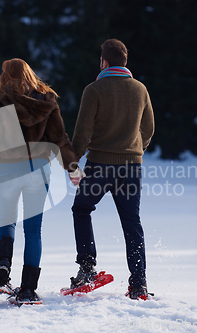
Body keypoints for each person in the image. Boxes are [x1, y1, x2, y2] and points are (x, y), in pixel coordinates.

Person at [0, 58, 80, 304]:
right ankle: (28, 290)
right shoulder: (47, 100)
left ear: (5, 76)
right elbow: (59, 138)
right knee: (33, 230)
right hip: (38, 173)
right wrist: (72, 168)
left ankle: (1, 272)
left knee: (7, 220)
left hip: (7, 172)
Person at [68, 39, 155, 299]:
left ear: (104, 61)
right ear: (124, 61)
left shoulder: (94, 90)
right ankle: (139, 284)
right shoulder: (140, 90)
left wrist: (73, 162)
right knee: (132, 223)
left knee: (82, 209)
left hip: (99, 166)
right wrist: (135, 150)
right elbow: (148, 129)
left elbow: (82, 132)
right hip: (131, 168)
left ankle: (87, 269)